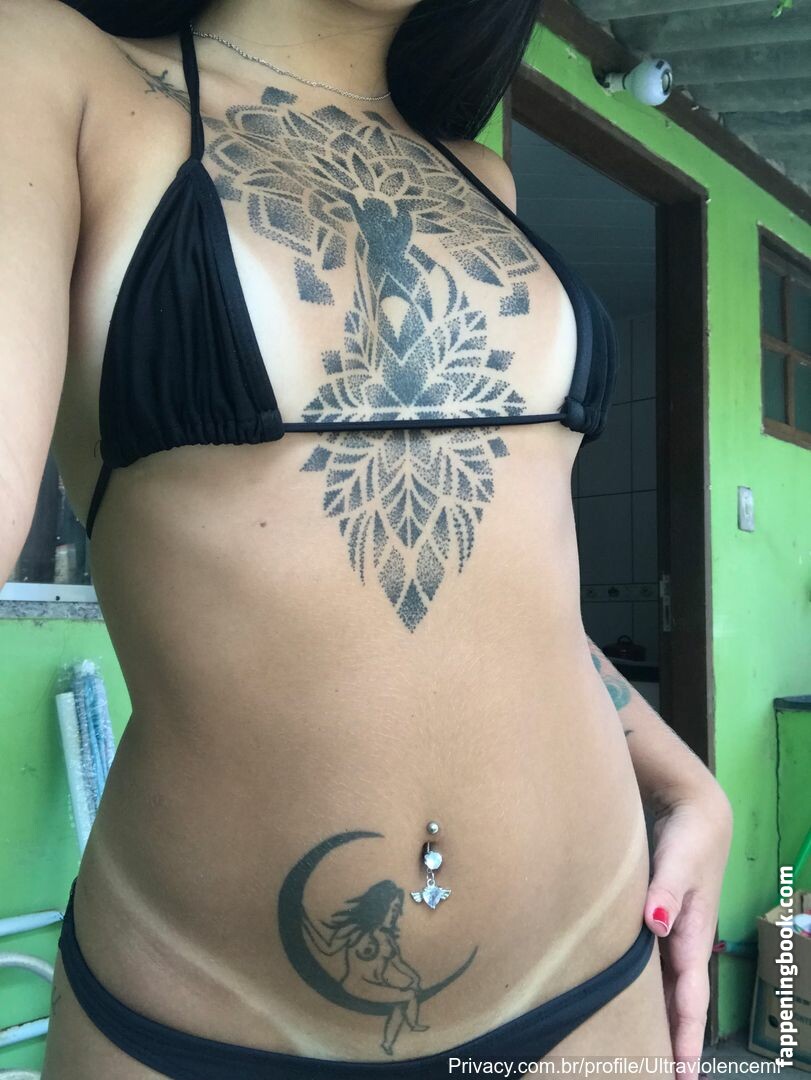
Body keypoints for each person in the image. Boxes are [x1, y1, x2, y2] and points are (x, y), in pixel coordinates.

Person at [0, 0, 733, 1076]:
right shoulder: (53, 68)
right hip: (196, 1017)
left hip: (589, 976)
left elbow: (505, 592)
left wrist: (679, 773)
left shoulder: (484, 176)